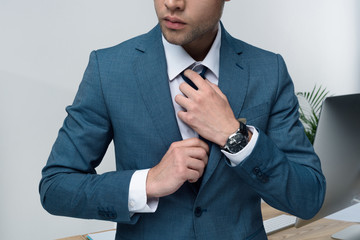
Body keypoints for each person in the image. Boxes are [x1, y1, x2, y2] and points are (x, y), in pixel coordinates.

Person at [39, 0, 326, 239]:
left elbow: (308, 197)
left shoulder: (268, 70)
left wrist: (235, 136)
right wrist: (148, 182)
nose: (172, 3)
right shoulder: (109, 69)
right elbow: (55, 187)